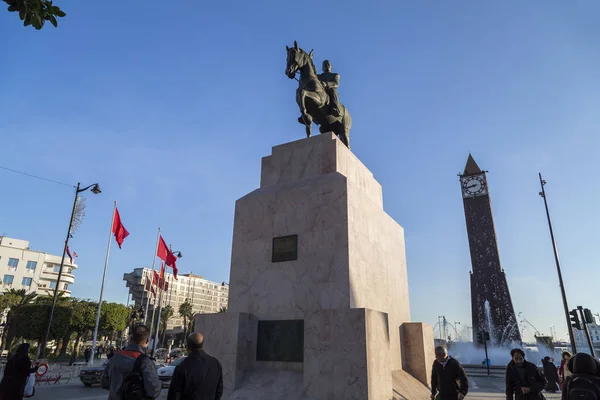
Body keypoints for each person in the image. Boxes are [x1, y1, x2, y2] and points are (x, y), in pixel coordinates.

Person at [103, 324, 161, 400]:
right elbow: (153, 391)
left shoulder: (115, 357)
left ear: (130, 338)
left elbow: (104, 382)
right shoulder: (146, 362)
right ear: (147, 340)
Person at [167, 332, 223, 400]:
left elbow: (174, 395)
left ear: (188, 346)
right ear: (202, 345)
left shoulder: (182, 367)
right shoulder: (215, 364)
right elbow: (219, 390)